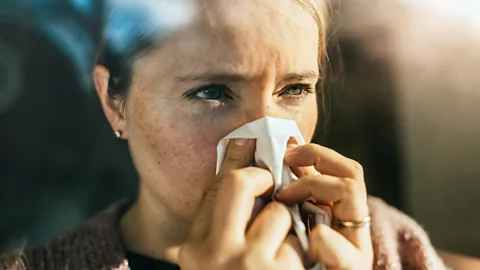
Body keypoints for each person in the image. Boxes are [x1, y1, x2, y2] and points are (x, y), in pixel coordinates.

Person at [3, 0, 474, 269]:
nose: (268, 139)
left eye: (294, 89)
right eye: (212, 91)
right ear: (113, 101)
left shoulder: (387, 244)